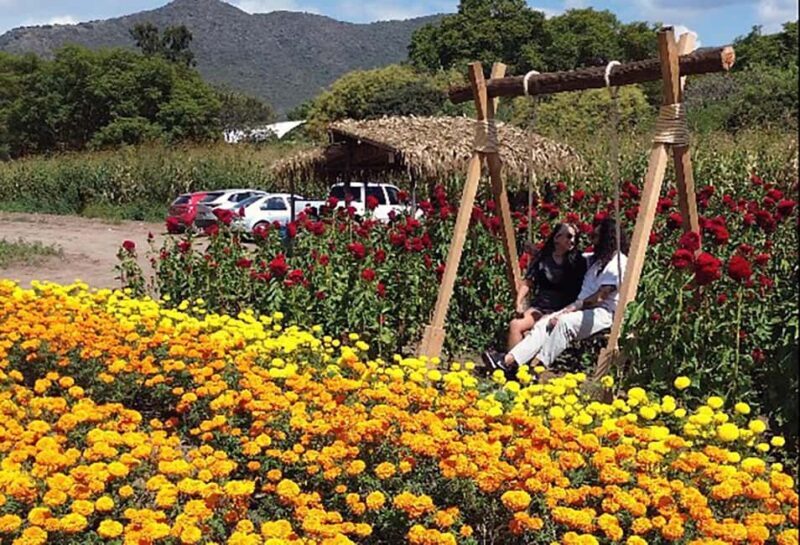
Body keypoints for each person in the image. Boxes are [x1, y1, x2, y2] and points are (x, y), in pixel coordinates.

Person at [483, 218, 629, 378]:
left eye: (595, 237)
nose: (592, 241)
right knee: (543, 323)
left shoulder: (619, 263)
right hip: (581, 309)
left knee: (564, 323)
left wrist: (570, 309)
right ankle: (507, 361)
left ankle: (535, 367)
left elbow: (601, 296)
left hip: (602, 312)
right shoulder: (596, 261)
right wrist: (535, 250)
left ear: (607, 239)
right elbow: (558, 254)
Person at [508, 223, 587, 349]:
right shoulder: (542, 258)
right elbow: (528, 282)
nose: (572, 240)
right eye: (568, 236)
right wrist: (519, 302)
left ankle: (517, 362)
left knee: (535, 331)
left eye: (574, 237)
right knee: (515, 325)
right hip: (540, 308)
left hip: (563, 311)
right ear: (556, 238)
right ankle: (511, 365)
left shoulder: (578, 262)